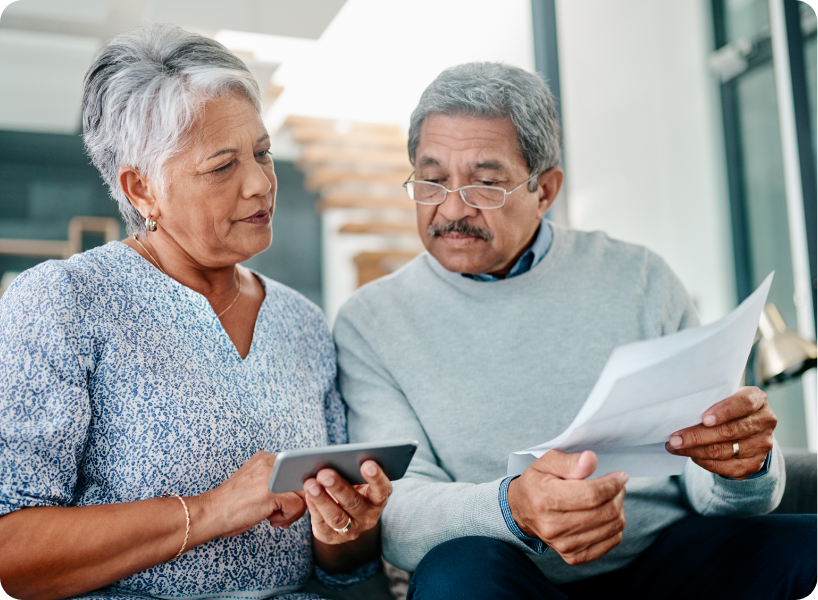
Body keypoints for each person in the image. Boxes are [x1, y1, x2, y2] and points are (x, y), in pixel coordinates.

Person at [333, 62, 818, 599]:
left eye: (486, 184)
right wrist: (513, 507)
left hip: (667, 560)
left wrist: (743, 467)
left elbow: (717, 494)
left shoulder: (640, 279)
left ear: (545, 190)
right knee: (456, 575)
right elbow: (396, 514)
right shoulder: (371, 322)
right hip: (510, 574)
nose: (451, 208)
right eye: (431, 180)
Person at [0, 24, 391, 600]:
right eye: (222, 166)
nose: (260, 184)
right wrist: (211, 510)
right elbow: (11, 552)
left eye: (262, 153)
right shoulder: (63, 303)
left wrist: (347, 526)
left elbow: (343, 569)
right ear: (141, 190)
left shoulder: (302, 321)